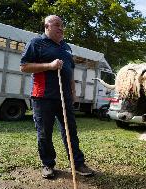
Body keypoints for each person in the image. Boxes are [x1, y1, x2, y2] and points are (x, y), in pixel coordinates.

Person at [20, 15, 94, 178]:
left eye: (62, 25)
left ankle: (78, 163)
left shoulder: (66, 47)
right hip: (43, 96)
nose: (61, 28)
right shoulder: (36, 43)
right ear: (46, 27)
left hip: (64, 97)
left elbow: (70, 71)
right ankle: (48, 164)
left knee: (70, 130)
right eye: (57, 25)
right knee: (44, 132)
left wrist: (73, 93)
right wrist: (50, 66)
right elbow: (24, 67)